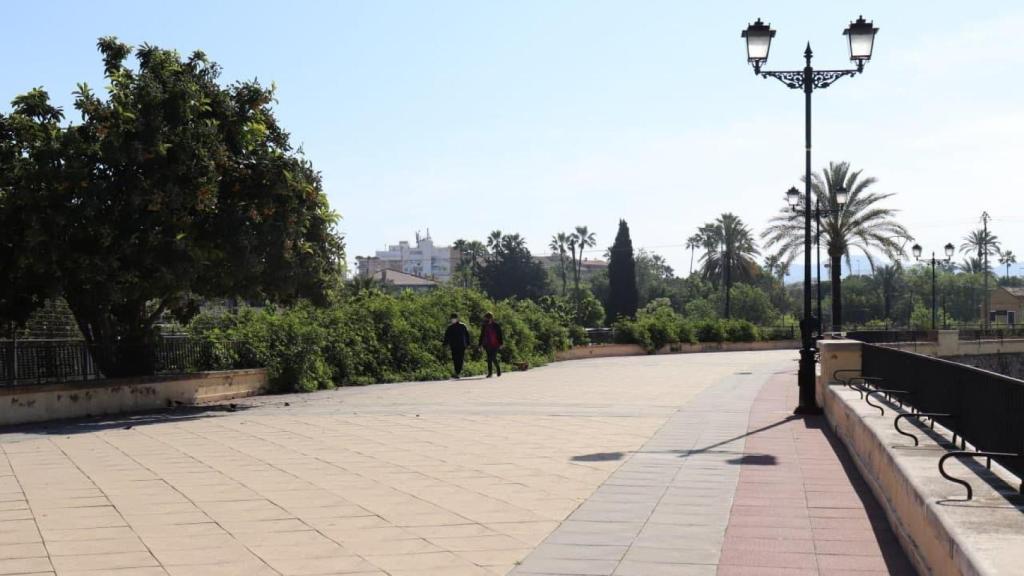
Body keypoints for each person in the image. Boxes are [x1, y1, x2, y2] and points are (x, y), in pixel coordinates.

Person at [442, 313, 471, 378]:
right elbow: (446, 337)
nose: (453, 319)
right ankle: (457, 372)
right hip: (453, 346)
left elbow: (467, 336)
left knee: (460, 359)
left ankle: (458, 372)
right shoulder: (450, 327)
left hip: (461, 345)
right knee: (455, 359)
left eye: (454, 318)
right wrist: (445, 344)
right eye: (452, 318)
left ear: (457, 318)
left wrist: (468, 344)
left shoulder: (463, 326)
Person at [478, 312, 504, 377]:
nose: (486, 320)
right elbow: (481, 335)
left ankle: (497, 369)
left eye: (487, 318)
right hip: (487, 344)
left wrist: (501, 344)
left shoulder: (496, 325)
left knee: (492, 357)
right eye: (485, 318)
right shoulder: (484, 326)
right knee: (490, 358)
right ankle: (490, 373)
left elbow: (500, 335)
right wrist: (480, 345)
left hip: (495, 344)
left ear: (491, 318)